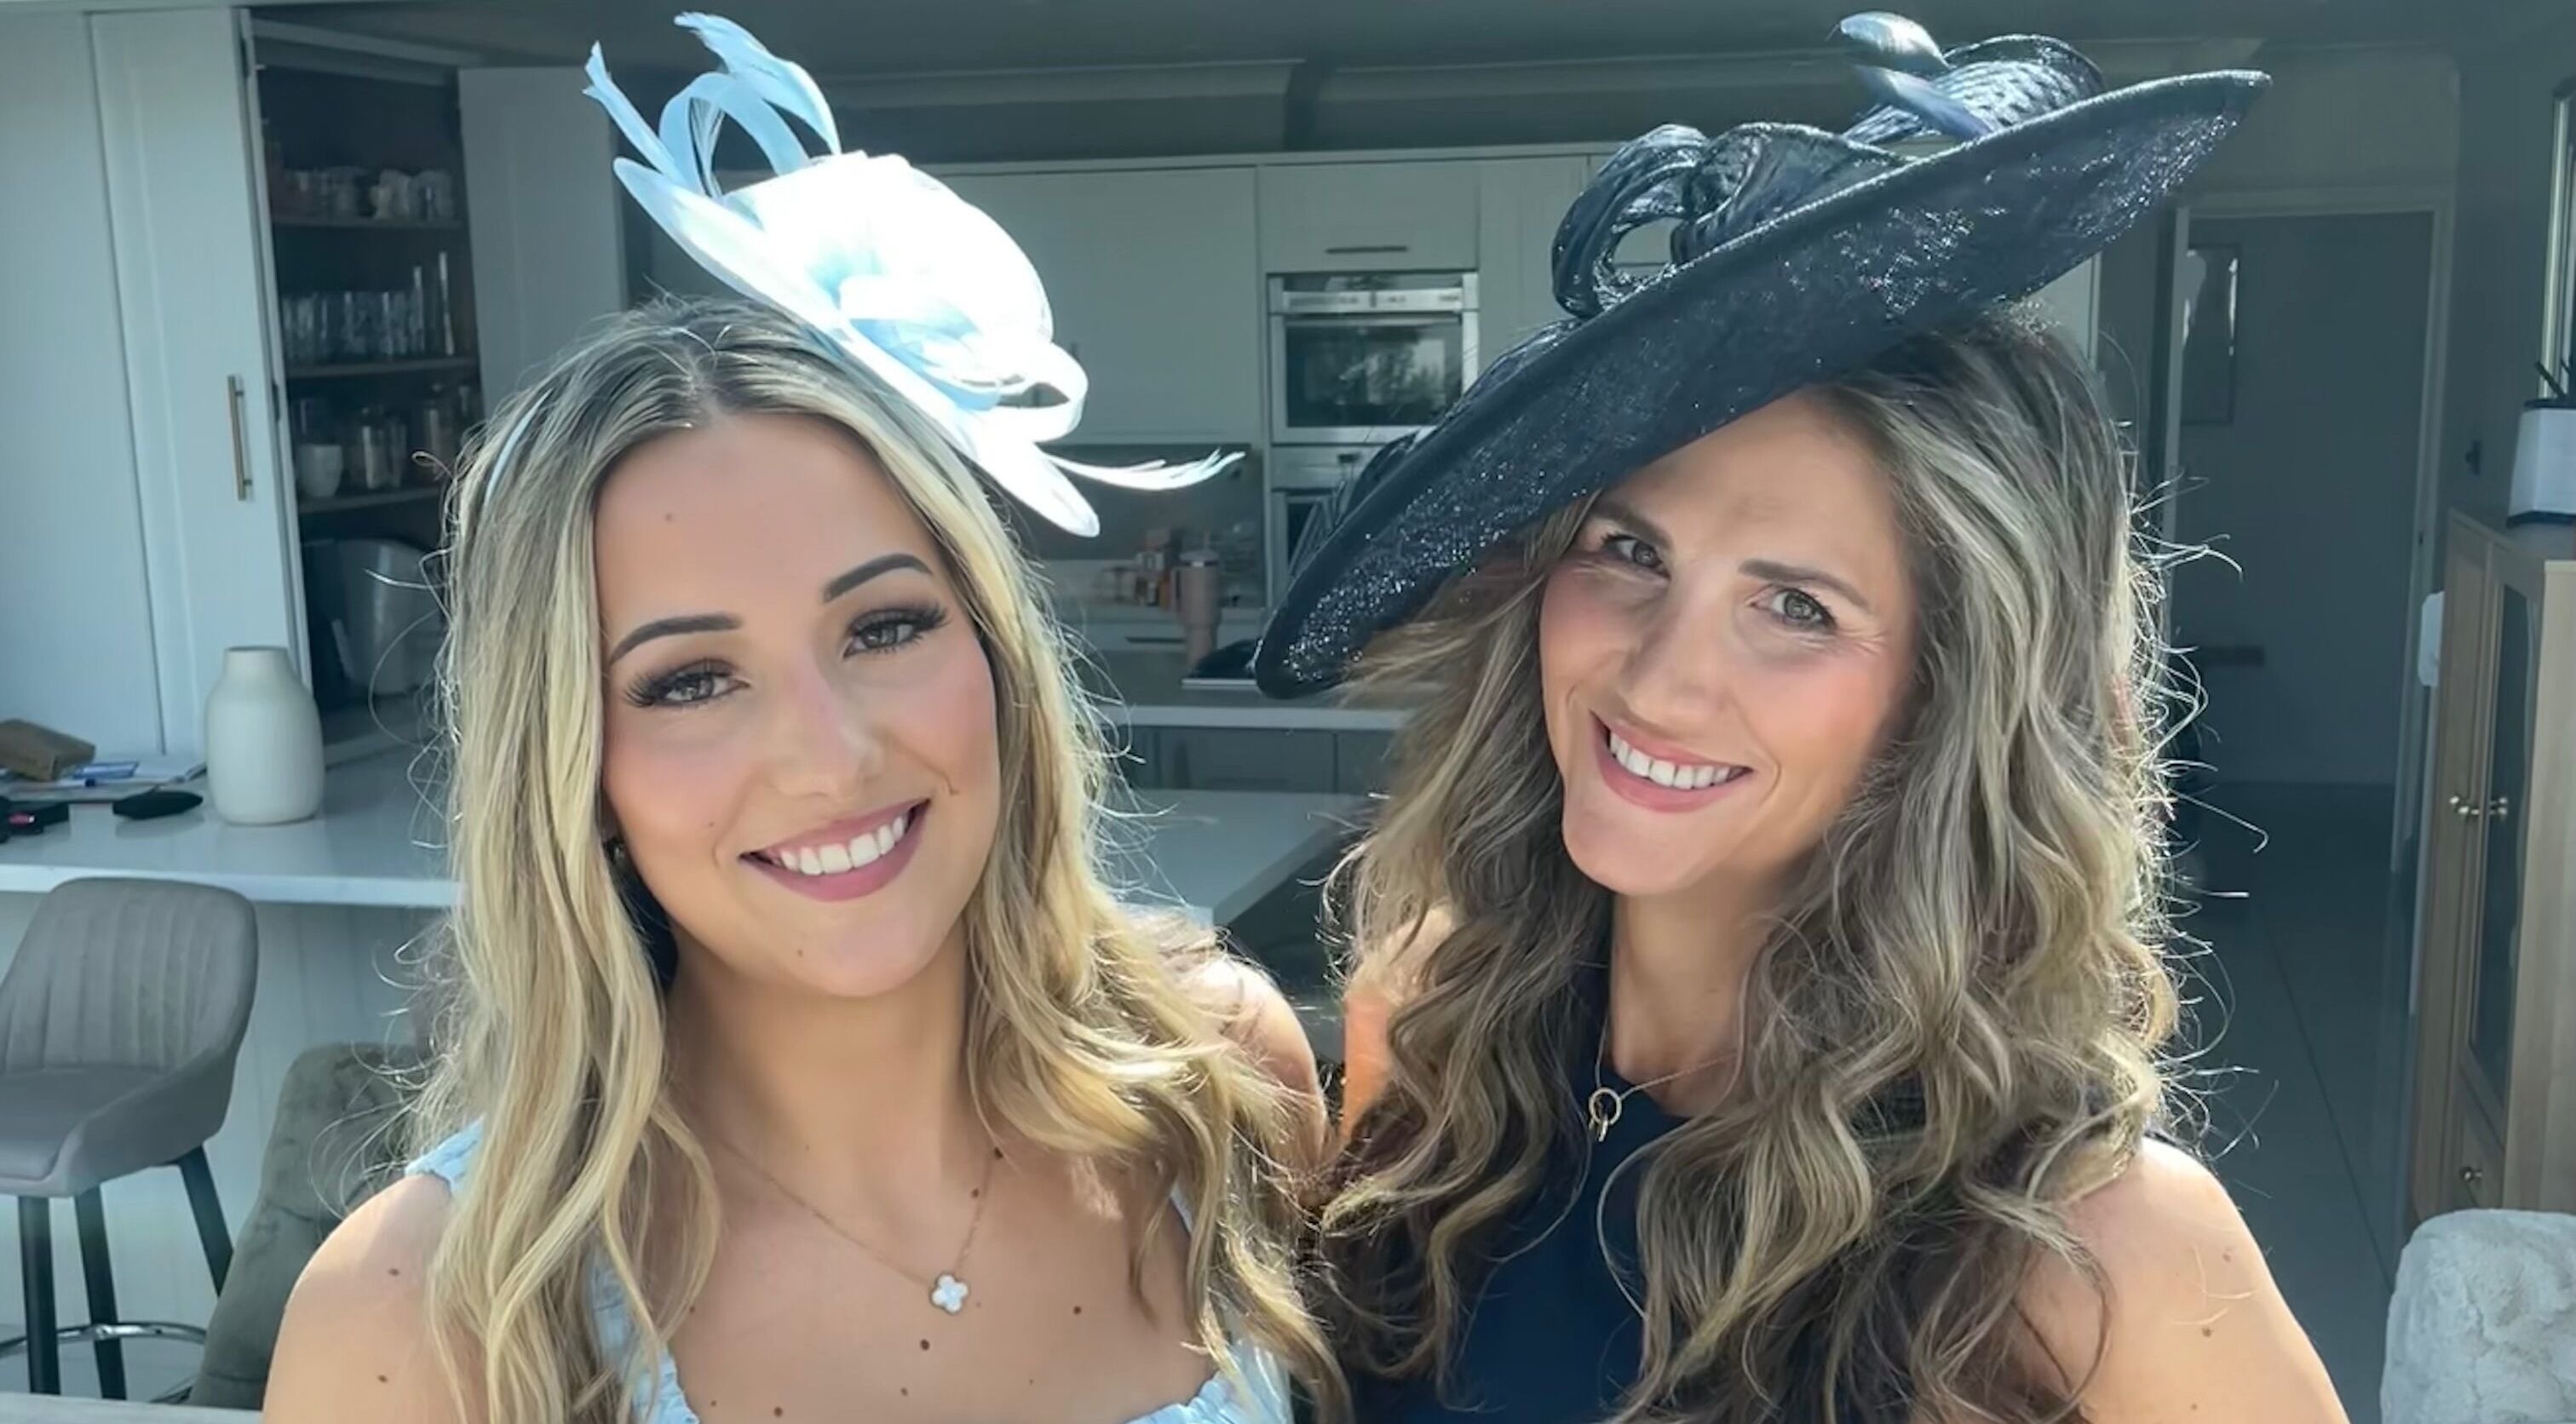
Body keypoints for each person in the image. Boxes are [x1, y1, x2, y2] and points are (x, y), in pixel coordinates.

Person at [1253, 15, 2348, 1424]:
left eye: (1797, 608)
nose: (1655, 680)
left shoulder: (2098, 1253)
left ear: (1951, 693)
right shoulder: (1432, 1034)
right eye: (1629, 553)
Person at [266, 17, 1336, 1424]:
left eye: (884, 627)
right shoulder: (424, 1321)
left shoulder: (1223, 1085)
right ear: (576, 771)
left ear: (999, 656)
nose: (831, 757)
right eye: (688, 682)